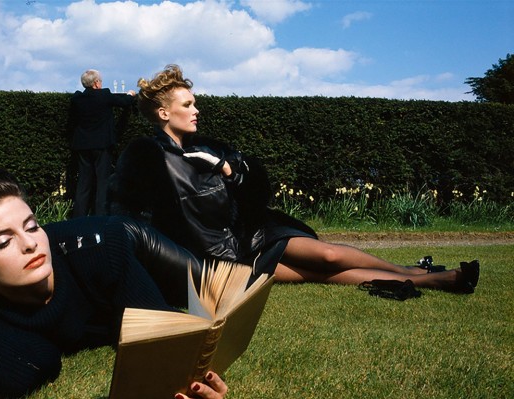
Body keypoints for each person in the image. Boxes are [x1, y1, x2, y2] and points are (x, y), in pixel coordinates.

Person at [108, 64, 480, 294]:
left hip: (253, 232)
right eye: (187, 104)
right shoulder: (146, 155)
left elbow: (257, 187)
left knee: (329, 255)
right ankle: (435, 280)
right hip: (221, 261)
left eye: (194, 101)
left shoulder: (208, 145)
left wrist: (227, 168)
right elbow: (135, 216)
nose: (196, 109)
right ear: (162, 112)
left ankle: (410, 270)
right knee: (316, 275)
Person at [0, 166, 228, 399]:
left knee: (223, 287)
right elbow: (4, 377)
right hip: (103, 258)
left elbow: (161, 333)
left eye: (32, 226)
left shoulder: (102, 253)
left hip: (125, 240)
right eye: (2, 242)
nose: (30, 244)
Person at [69, 69, 136, 217]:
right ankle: (100, 216)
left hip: (82, 145)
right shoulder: (104, 95)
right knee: (102, 182)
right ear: (96, 83)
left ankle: (78, 217)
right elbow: (124, 102)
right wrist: (131, 95)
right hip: (102, 144)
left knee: (83, 183)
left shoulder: (77, 99)